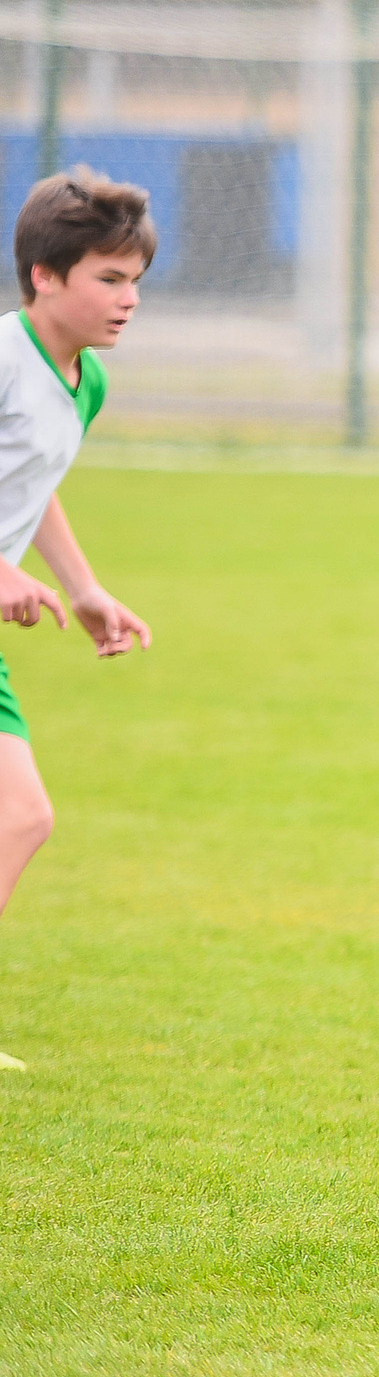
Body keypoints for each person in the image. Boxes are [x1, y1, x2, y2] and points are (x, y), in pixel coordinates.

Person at [0, 169, 157, 1072]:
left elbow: (34, 484)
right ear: (43, 276)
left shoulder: (82, 380)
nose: (128, 299)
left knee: (19, 815)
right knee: (19, 814)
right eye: (108, 278)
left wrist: (84, 586)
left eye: (135, 279)